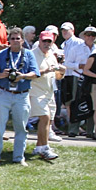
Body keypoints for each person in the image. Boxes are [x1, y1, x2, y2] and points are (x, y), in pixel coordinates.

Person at [0, 27, 39, 166]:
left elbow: (35, 73)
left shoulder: (29, 54)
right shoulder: (1, 54)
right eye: (12, 38)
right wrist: (2, 75)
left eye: (18, 38)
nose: (15, 41)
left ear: (22, 40)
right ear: (8, 40)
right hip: (3, 93)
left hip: (21, 95)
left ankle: (19, 157)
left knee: (21, 127)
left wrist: (22, 76)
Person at [29, 31, 63, 160]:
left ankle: (39, 147)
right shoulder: (32, 54)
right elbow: (30, 74)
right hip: (35, 91)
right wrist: (45, 71)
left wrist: (62, 72)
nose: (47, 44)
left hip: (49, 92)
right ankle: (45, 148)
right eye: (45, 41)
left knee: (47, 121)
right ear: (40, 40)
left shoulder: (52, 56)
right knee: (45, 117)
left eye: (49, 41)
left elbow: (56, 76)